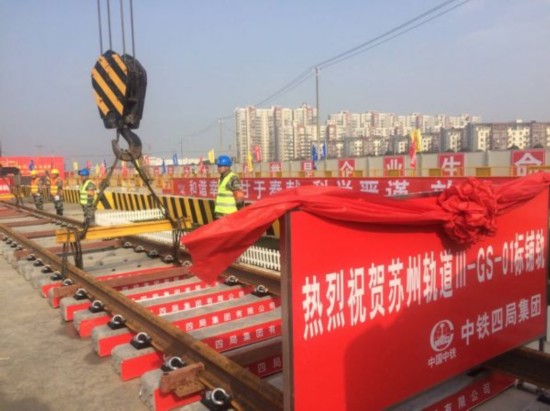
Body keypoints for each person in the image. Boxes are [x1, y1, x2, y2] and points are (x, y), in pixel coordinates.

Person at [214, 155, 245, 219]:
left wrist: (241, 212)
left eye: (220, 166)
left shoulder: (233, 178)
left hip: (229, 214)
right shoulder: (221, 178)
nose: (218, 168)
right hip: (219, 213)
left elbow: (239, 197)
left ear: (227, 167)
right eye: (218, 166)